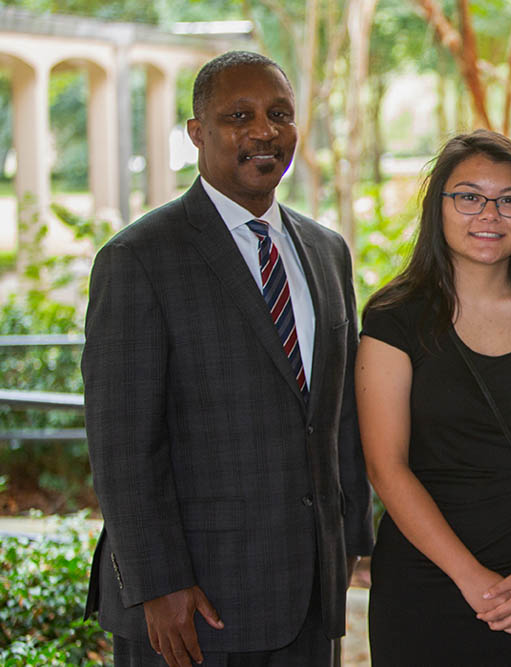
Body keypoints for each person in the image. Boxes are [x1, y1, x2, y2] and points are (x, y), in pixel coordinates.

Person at [82, 51, 373, 667]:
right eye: (238, 115)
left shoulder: (327, 252)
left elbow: (340, 413)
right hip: (192, 606)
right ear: (197, 133)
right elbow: (123, 443)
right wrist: (157, 584)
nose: (263, 130)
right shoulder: (138, 260)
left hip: (308, 594)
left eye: (279, 114)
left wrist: (350, 539)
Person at [357, 130, 511, 665]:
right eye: (469, 196)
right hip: (427, 582)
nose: (489, 214)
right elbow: (386, 466)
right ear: (438, 206)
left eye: (510, 200)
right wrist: (471, 579)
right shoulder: (395, 317)